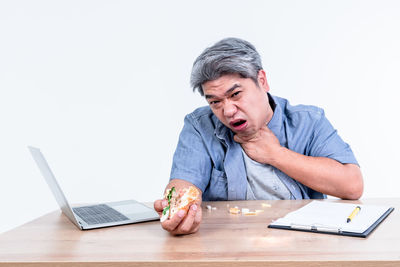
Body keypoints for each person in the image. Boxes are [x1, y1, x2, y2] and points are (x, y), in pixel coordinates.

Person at [153, 37, 363, 235]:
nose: (227, 111)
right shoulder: (200, 126)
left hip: (302, 244)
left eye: (235, 94)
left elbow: (352, 186)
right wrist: (179, 208)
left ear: (262, 81)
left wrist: (275, 154)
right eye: (215, 102)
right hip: (227, 245)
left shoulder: (309, 121)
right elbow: (183, 182)